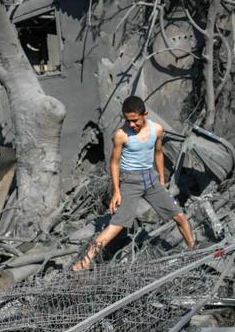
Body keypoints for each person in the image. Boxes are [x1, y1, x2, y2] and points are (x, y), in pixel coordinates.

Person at [72, 96, 195, 271]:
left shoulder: (157, 130)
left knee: (180, 217)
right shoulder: (121, 135)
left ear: (144, 114)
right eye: (128, 121)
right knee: (116, 226)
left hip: (150, 179)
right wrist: (116, 191)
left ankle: (193, 251)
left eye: (135, 120)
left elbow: (158, 152)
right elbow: (114, 163)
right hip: (130, 181)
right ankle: (82, 265)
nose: (132, 125)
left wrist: (161, 178)